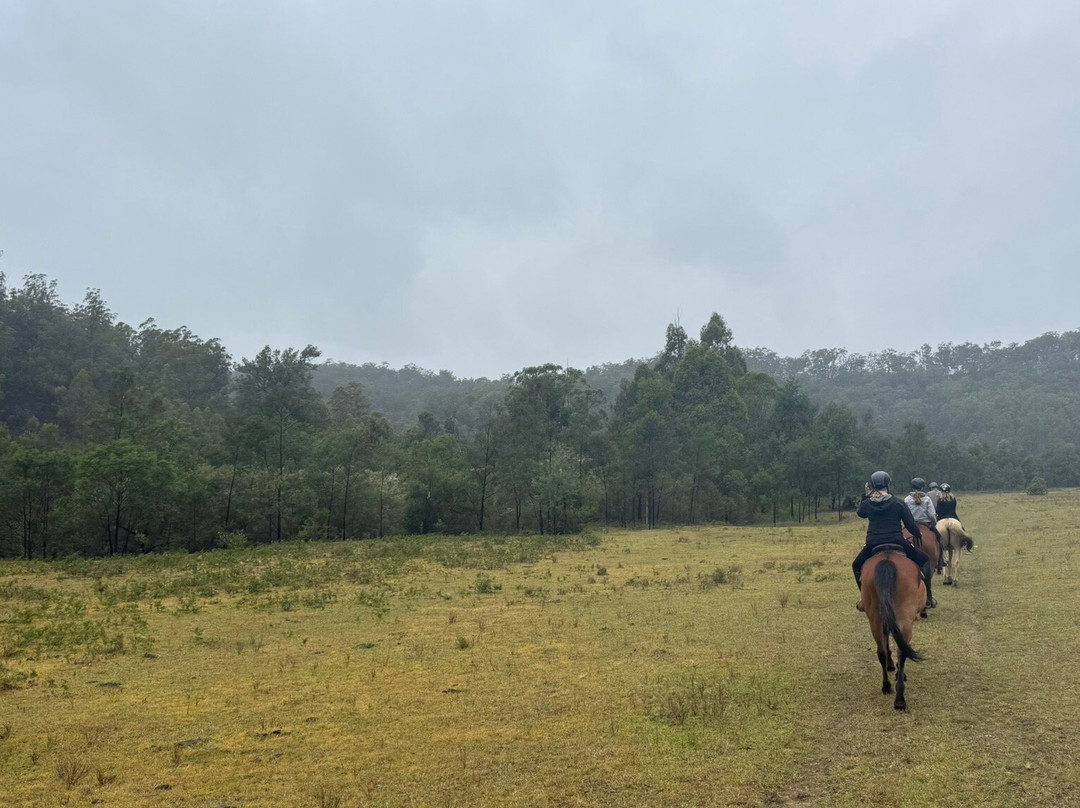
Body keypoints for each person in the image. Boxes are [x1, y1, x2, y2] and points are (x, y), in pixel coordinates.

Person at [853, 471, 933, 611]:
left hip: (873, 543)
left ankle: (865, 599)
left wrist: (866, 495)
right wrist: (918, 534)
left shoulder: (867, 503)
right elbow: (910, 525)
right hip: (897, 541)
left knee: (856, 566)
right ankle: (927, 598)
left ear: (871, 486)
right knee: (925, 560)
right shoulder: (898, 503)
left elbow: (860, 513)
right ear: (888, 484)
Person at [906, 477, 945, 569]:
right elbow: (932, 514)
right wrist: (934, 522)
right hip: (926, 524)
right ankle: (940, 561)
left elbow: (906, 514)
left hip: (911, 525)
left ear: (912, 487)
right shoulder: (927, 499)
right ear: (922, 487)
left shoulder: (907, 499)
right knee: (939, 538)